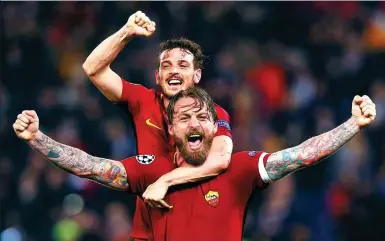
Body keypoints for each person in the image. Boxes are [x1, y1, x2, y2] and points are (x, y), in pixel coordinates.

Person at [14, 87, 376, 241]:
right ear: (171, 129)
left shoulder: (239, 168)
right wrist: (37, 139)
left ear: (214, 126)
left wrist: (352, 125)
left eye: (203, 116)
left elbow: (300, 154)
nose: (195, 123)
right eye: (184, 117)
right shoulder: (151, 168)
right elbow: (92, 167)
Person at [82, 11, 233, 240]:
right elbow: (92, 68)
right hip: (148, 230)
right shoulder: (142, 101)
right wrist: (126, 32)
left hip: (197, 229)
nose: (173, 70)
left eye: (183, 65)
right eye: (166, 65)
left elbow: (220, 159)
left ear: (197, 75)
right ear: (157, 75)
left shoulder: (213, 114)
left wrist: (165, 181)